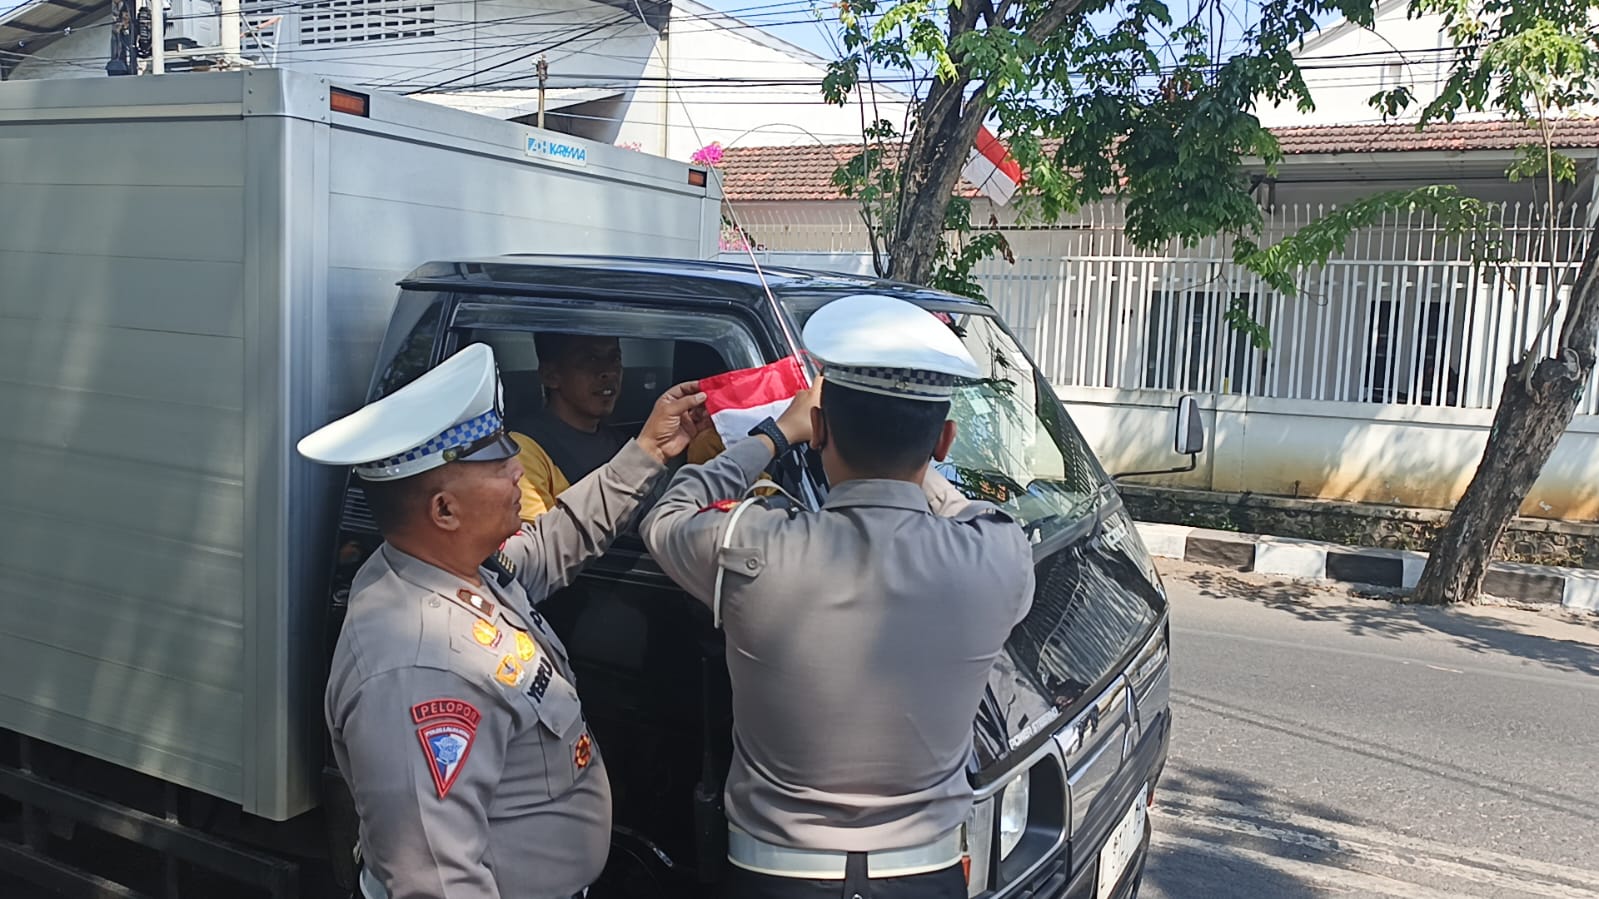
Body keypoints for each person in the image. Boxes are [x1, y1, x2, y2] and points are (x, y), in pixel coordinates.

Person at [640, 295, 1036, 899]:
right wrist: (917, 459)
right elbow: (963, 512)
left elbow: (669, 511)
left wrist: (773, 435)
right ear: (945, 443)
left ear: (819, 429)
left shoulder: (751, 548)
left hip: (773, 878)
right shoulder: (996, 557)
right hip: (925, 881)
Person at [298, 342, 706, 899]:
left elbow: (555, 539)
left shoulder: (457, 566)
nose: (519, 469)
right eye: (497, 462)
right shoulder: (418, 663)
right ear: (444, 510)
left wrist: (649, 451)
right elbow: (438, 882)